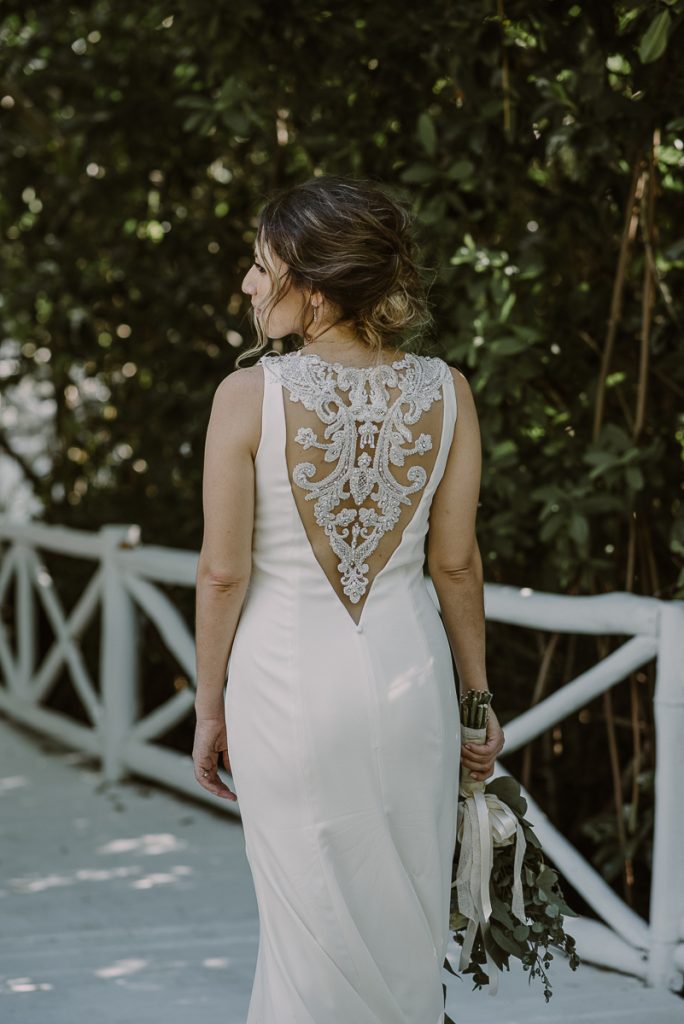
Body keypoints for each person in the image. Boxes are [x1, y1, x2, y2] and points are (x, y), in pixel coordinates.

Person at [192, 174, 505, 1024]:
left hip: (285, 688)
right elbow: (457, 567)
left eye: (263, 268)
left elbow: (224, 573)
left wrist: (208, 707)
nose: (250, 285)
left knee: (307, 936)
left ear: (314, 286)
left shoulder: (247, 397)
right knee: (402, 930)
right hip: (413, 682)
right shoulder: (448, 392)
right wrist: (476, 702)